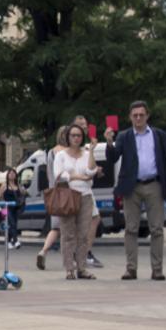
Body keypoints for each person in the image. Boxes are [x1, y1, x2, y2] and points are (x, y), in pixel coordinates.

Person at [104, 100, 166, 280]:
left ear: (147, 116)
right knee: (131, 228)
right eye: (135, 115)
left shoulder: (160, 136)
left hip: (154, 184)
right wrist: (109, 142)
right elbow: (112, 158)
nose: (138, 118)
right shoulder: (124, 136)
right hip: (132, 186)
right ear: (130, 117)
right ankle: (131, 268)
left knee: (157, 229)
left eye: (141, 115)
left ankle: (157, 269)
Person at [53, 123, 98, 280]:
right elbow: (59, 175)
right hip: (67, 196)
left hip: (85, 195)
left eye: (79, 135)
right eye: (73, 135)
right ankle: (69, 268)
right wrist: (78, 176)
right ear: (68, 137)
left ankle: (82, 267)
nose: (76, 138)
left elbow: (91, 171)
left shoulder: (86, 154)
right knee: (68, 234)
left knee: (83, 234)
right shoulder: (61, 155)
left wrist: (91, 151)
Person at [36, 124, 70, 271]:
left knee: (55, 228)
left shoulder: (51, 152)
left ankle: (43, 250)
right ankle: (69, 258)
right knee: (70, 227)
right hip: (70, 192)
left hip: (55, 193)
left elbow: (50, 175)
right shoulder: (70, 152)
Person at [73, 116, 104, 269]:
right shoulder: (72, 146)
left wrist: (96, 170)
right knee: (90, 220)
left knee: (93, 219)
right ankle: (83, 253)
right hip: (78, 188)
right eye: (80, 126)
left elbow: (89, 167)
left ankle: (83, 252)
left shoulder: (87, 147)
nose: (84, 128)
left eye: (85, 125)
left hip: (87, 188)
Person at [0, 169, 24, 249]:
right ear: (7, 175)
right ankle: (15, 240)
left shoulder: (18, 185)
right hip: (5, 207)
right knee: (11, 223)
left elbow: (21, 195)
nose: (12, 175)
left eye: (13, 173)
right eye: (10, 173)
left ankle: (8, 241)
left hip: (15, 208)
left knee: (13, 224)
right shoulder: (4, 185)